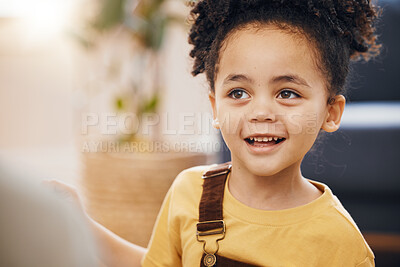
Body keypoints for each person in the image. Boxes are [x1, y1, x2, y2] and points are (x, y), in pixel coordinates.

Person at [48, 0, 381, 266]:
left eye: (287, 93)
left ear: (330, 112)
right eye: (238, 93)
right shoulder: (189, 192)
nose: (261, 112)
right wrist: (78, 221)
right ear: (215, 108)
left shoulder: (340, 243)